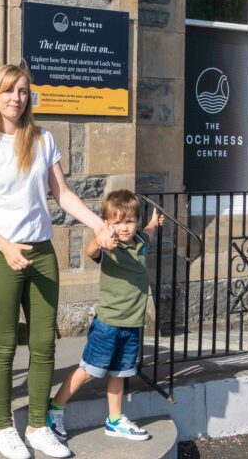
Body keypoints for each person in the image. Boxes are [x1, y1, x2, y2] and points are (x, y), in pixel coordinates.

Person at [0, 64, 116, 459]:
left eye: (24, 91)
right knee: (5, 344)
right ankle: (2, 427)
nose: (16, 98)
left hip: (42, 252)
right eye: (9, 91)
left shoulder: (42, 139)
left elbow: (62, 194)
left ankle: (38, 424)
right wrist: (6, 246)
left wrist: (100, 225)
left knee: (45, 343)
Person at [47, 190, 165, 443]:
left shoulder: (141, 241)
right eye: (117, 222)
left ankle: (114, 420)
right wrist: (99, 241)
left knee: (120, 373)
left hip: (132, 325)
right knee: (88, 370)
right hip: (108, 325)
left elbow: (149, 232)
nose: (124, 228)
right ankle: (54, 408)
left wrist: (154, 223)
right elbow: (91, 251)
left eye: (129, 221)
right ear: (107, 223)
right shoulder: (109, 247)